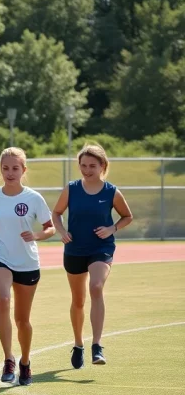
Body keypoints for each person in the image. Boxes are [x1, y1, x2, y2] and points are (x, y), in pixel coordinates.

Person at [0, 148, 54, 386]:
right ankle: (8, 359)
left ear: (23, 170)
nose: (10, 173)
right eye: (5, 168)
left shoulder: (34, 198)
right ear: (0, 169)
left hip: (27, 262)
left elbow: (50, 227)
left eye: (15, 168)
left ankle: (25, 361)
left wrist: (37, 235)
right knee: (2, 300)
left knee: (23, 320)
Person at [52, 144, 133, 368]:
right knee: (78, 301)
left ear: (102, 166)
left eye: (92, 166)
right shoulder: (71, 188)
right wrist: (62, 231)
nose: (87, 170)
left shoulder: (111, 191)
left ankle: (97, 345)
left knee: (96, 287)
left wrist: (112, 229)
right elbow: (56, 213)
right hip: (74, 249)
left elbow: (127, 216)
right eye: (83, 165)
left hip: (101, 248)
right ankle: (78, 344)